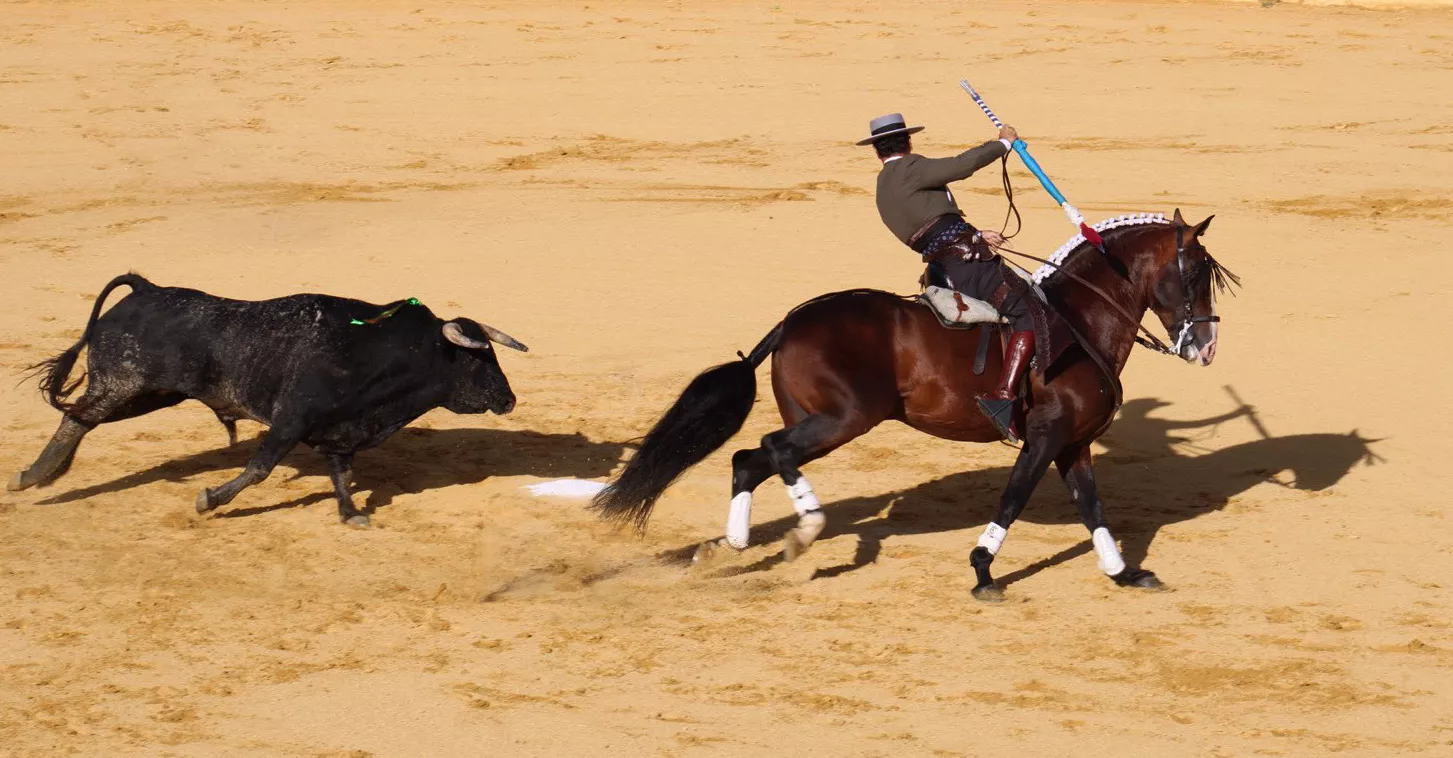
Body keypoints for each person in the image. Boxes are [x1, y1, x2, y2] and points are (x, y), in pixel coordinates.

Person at [857, 113, 1036, 442]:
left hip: (942, 267)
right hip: (966, 268)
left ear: (877, 150)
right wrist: (1003, 142)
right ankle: (1005, 396)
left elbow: (931, 226)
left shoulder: (885, 182)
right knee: (1028, 309)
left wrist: (978, 235)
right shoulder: (910, 168)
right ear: (908, 142)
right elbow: (962, 164)